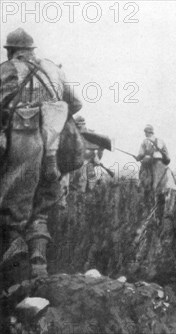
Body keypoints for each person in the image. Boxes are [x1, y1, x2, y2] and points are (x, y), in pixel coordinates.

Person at [1, 28, 82, 280]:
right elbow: (76, 103)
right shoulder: (53, 69)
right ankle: (38, 269)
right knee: (40, 210)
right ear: (32, 50)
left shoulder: (5, 69)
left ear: (11, 50)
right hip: (55, 147)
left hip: (23, 143)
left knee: (11, 212)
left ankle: (14, 277)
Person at [135, 124, 176, 219]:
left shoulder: (145, 142)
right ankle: (166, 209)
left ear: (147, 132)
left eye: (145, 132)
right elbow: (167, 155)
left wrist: (137, 158)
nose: (145, 134)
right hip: (161, 164)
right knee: (170, 181)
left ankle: (142, 188)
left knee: (143, 180)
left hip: (150, 164)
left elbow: (141, 154)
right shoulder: (161, 141)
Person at [70, 115, 104, 192]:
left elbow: (98, 158)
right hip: (76, 165)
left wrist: (101, 150)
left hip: (88, 165)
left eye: (82, 125)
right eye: (78, 125)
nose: (80, 127)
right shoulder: (72, 136)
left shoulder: (91, 136)